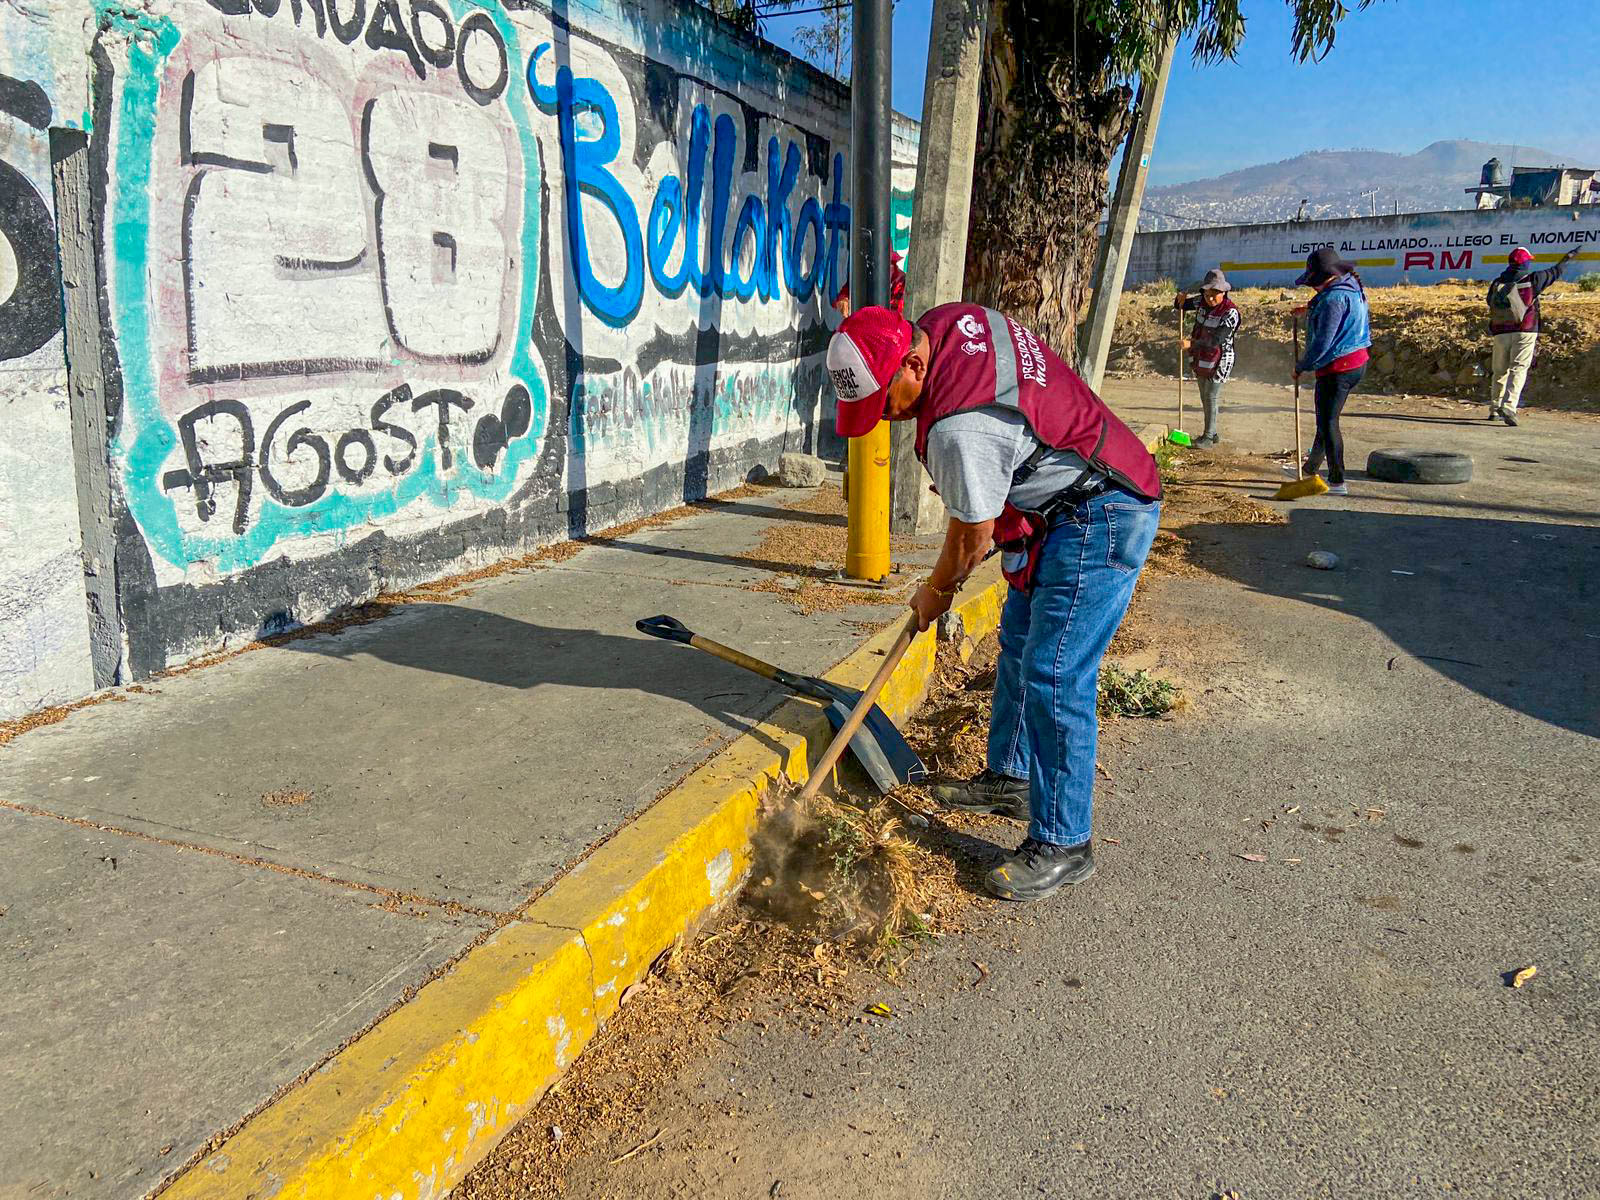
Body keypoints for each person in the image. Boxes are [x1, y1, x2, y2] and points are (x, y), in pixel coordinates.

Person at [826, 303, 1162, 902]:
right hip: (1056, 506)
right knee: (1018, 646)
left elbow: (971, 534)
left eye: (886, 402)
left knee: (1056, 673)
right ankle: (1010, 777)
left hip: (1101, 511)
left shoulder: (960, 427)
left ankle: (1065, 842)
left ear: (911, 362)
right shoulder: (949, 324)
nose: (888, 418)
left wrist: (936, 591)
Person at [1291, 247, 1371, 497]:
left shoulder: (1333, 300)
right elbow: (1330, 308)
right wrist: (1308, 309)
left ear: (1321, 278)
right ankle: (1310, 468)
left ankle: (1337, 481)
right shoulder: (1350, 286)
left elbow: (1323, 342)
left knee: (1328, 423)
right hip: (1357, 362)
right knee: (1326, 420)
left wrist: (1302, 365)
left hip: (1338, 368)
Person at [1486, 246, 1578, 426]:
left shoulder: (1497, 283)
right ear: (1525, 262)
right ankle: (1509, 406)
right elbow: (1556, 271)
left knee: (1499, 371)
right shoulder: (1533, 279)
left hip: (1500, 332)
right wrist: (1568, 258)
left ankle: (1494, 408)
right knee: (1518, 368)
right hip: (1525, 331)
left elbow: (1490, 302)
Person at [1173, 268, 1241, 446]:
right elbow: (1182, 306)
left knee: (1211, 396)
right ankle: (1213, 432)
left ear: (1224, 292)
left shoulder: (1230, 313)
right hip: (1201, 356)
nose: (1210, 299)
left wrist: (1191, 344)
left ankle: (1208, 437)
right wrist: (1179, 301)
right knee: (1204, 395)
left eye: (1214, 295)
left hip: (1220, 359)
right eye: (1207, 294)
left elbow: (1216, 340)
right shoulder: (1200, 302)